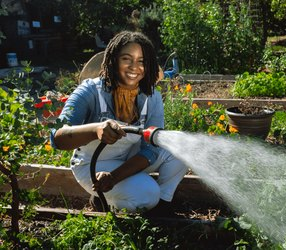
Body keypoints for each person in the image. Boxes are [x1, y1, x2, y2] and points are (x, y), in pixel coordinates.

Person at [50, 30, 188, 215]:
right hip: (93, 165)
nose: (134, 67)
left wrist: (114, 177)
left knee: (178, 146)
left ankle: (161, 205)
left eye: (141, 61)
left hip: (125, 159)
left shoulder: (151, 95)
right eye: (126, 59)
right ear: (113, 61)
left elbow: (152, 148)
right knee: (147, 194)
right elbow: (57, 138)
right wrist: (95, 130)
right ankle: (103, 200)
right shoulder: (91, 92)